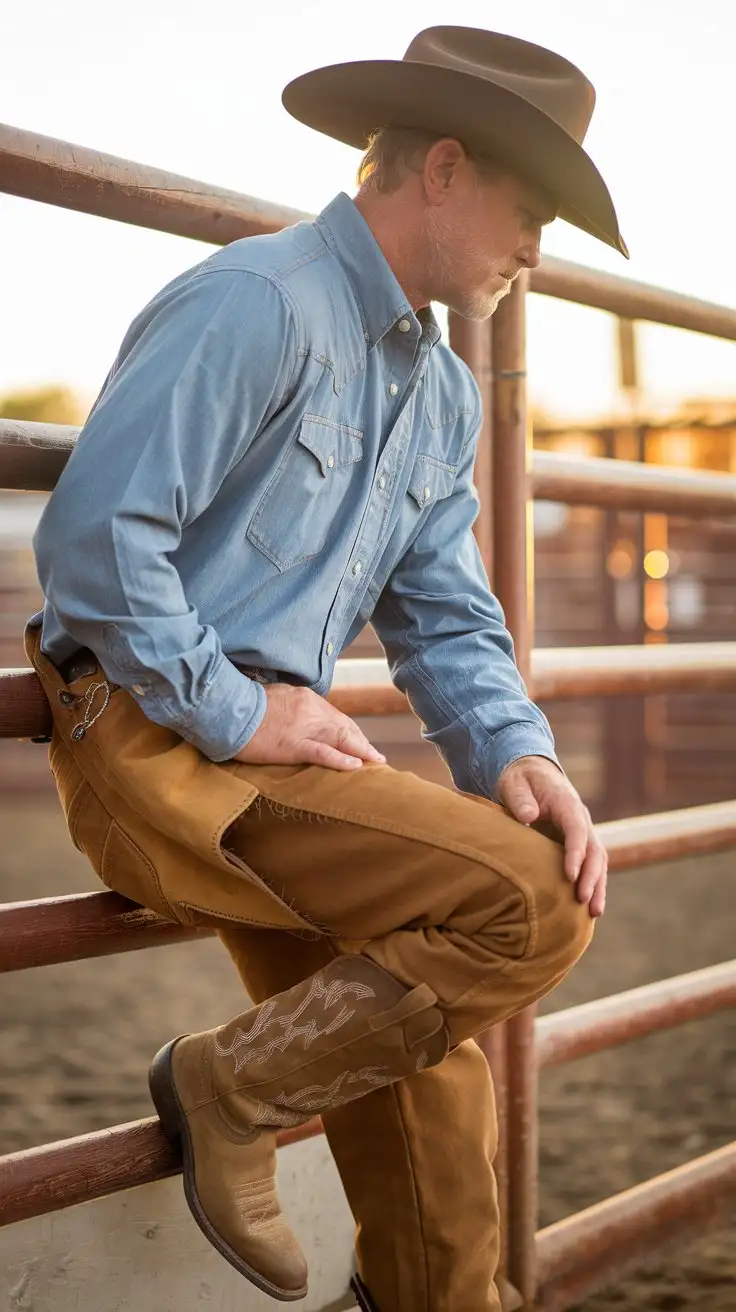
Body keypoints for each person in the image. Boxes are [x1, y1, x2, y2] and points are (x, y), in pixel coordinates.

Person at [28, 24, 626, 1312]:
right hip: (152, 737)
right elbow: (92, 542)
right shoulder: (259, 302)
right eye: (535, 216)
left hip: (266, 766)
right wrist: (244, 712)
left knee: (423, 1067)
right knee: (529, 904)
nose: (539, 254)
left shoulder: (442, 391)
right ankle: (229, 1085)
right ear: (447, 170)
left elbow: (448, 616)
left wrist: (520, 755)